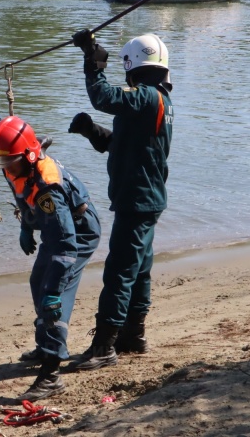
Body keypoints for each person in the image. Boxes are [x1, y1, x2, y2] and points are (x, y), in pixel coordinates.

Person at [68, 30, 173, 370]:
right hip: (147, 197)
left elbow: (102, 96)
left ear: (133, 68)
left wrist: (93, 59)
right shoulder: (158, 100)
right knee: (138, 271)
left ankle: (104, 347)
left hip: (137, 200)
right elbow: (130, 145)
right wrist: (93, 132)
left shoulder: (145, 97)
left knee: (119, 273)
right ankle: (133, 335)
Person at [0, 115, 101, 400]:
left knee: (54, 298)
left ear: (28, 155)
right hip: (54, 229)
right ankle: (44, 344)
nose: (4, 168)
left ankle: (50, 374)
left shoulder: (49, 188)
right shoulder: (15, 164)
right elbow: (24, 196)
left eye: (8, 161)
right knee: (38, 281)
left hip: (76, 233)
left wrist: (54, 291)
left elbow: (65, 244)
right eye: (1, 162)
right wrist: (26, 227)